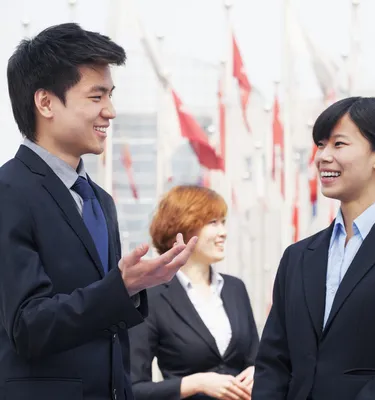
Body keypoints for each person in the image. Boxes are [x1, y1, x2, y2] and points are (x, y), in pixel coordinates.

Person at [0, 23, 197, 400]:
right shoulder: (9, 191)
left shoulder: (99, 200)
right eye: (96, 96)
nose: (110, 111)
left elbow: (108, 330)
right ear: (45, 103)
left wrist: (134, 286)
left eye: (111, 95)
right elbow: (27, 325)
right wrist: (121, 286)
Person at [252, 96, 375, 400]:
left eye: (339, 144)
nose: (323, 157)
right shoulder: (298, 257)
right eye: (320, 145)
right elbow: (273, 361)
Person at [129, 185, 259, 400]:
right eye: (213, 223)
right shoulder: (151, 298)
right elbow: (133, 388)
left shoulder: (235, 289)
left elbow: (257, 359)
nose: (223, 232)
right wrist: (195, 383)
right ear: (182, 230)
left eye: (223, 222)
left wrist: (257, 372)